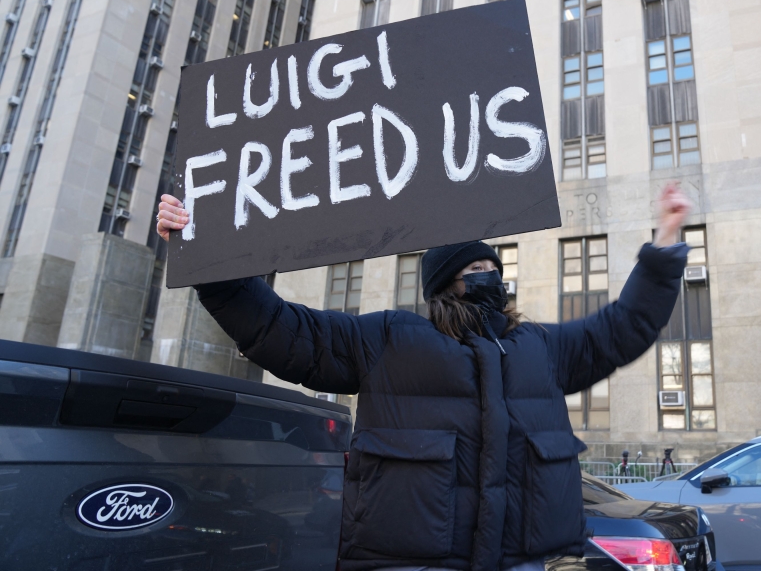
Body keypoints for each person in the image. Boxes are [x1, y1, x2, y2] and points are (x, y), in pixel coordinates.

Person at [155, 184, 691, 571]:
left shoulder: (539, 348)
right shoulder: (391, 339)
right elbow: (281, 329)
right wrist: (206, 257)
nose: (486, 276)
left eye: (490, 267)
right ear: (442, 285)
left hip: (518, 561)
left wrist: (665, 249)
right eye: (471, 270)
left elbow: (622, 328)